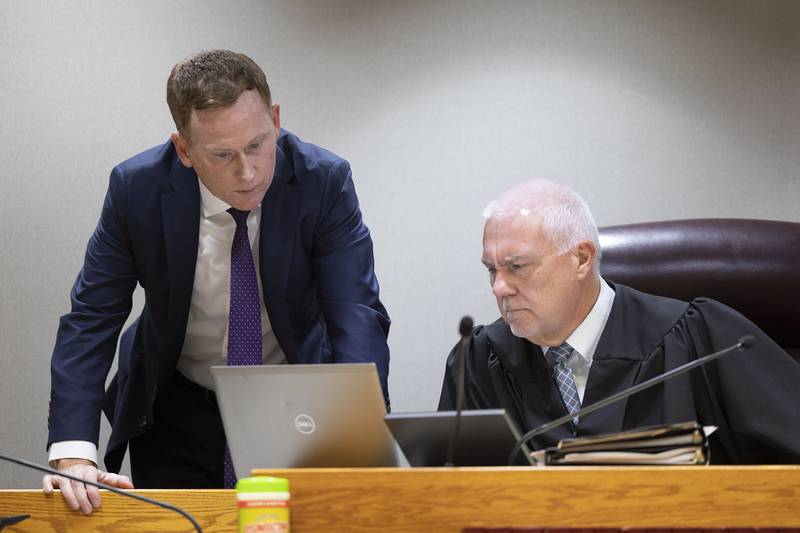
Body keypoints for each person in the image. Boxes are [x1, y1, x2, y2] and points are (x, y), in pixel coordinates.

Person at [43, 49, 391, 512]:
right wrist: (72, 451)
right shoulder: (137, 189)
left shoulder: (322, 181)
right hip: (178, 404)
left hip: (292, 399)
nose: (248, 172)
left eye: (257, 145)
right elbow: (92, 317)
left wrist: (358, 433)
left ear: (276, 120)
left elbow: (355, 312)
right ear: (184, 150)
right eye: (223, 155)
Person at [439, 179, 800, 463]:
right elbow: (451, 497)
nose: (499, 287)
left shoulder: (698, 339)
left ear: (581, 259)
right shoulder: (480, 360)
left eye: (517, 266)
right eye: (492, 269)